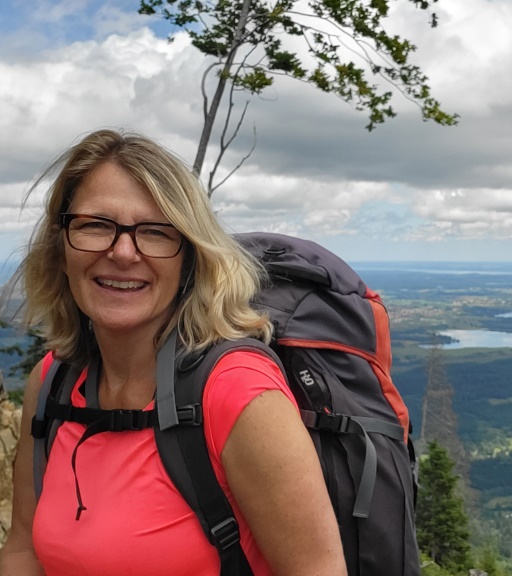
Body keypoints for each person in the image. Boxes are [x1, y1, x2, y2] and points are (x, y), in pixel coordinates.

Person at [0, 129, 347, 575]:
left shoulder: (238, 393)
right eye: (95, 225)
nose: (123, 252)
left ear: (189, 258)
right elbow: (24, 547)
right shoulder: (53, 383)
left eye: (155, 232)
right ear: (60, 246)